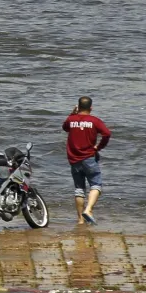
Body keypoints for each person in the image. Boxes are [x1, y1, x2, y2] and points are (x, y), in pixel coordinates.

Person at [63, 96, 110, 225]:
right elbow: (107, 133)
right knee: (96, 185)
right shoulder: (94, 121)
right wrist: (99, 147)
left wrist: (72, 114)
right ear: (91, 108)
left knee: (79, 189)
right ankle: (88, 209)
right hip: (89, 158)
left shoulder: (71, 120)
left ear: (78, 107)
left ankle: (80, 220)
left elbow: (65, 127)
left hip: (74, 159)